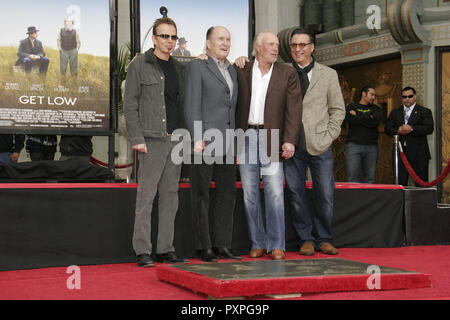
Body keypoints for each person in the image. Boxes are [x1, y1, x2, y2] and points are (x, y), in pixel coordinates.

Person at [123, 17, 189, 267]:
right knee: (146, 196)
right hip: (151, 140)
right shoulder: (140, 64)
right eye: (164, 36)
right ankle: (142, 250)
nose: (169, 41)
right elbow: (130, 104)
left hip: (176, 140)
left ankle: (165, 249)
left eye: (173, 37)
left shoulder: (179, 68)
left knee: (170, 197)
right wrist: (136, 138)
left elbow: (181, 105)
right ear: (154, 38)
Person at [234, 31, 303, 260]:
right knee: (249, 194)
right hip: (245, 137)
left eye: (276, 45)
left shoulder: (287, 73)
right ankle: (258, 242)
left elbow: (294, 110)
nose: (275, 48)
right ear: (257, 47)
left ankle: (277, 244)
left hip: (273, 136)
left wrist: (290, 140)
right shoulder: (242, 69)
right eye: (270, 45)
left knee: (274, 192)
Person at [284, 28, 345, 256]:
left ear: (312, 47)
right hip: (291, 146)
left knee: (325, 195)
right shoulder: (283, 72)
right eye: (293, 45)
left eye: (302, 45)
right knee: (295, 194)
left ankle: (325, 238)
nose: (297, 49)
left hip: (321, 144)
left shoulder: (328, 74)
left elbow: (338, 110)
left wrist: (328, 136)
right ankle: (305, 239)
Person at [184, 26, 241, 262]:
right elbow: (191, 103)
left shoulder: (234, 70)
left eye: (228, 39)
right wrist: (197, 137)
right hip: (204, 141)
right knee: (201, 194)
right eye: (220, 39)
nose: (225, 43)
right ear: (208, 43)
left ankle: (222, 244)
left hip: (228, 141)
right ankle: (204, 245)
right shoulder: (197, 66)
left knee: (227, 194)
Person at [385, 87, 434, 186]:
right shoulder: (395, 112)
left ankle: (420, 202)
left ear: (415, 97)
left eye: (410, 96)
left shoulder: (424, 111)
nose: (407, 99)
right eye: (404, 97)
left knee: (421, 185)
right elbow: (388, 129)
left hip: (419, 154)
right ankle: (401, 202)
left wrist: (412, 129)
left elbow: (429, 128)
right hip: (401, 154)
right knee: (400, 184)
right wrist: (398, 130)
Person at [345, 85, 381, 183]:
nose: (373, 97)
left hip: (371, 147)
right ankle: (353, 198)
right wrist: (368, 116)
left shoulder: (376, 109)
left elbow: (375, 122)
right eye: (371, 94)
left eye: (374, 95)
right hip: (353, 146)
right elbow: (351, 121)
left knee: (370, 178)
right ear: (364, 94)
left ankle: (367, 198)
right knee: (352, 177)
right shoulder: (351, 106)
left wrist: (358, 116)